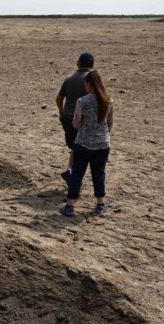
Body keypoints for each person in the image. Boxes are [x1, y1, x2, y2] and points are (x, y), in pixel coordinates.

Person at [61, 70, 113, 217]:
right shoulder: (107, 100)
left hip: (84, 142)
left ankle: (70, 206)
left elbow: (76, 124)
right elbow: (110, 123)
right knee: (99, 173)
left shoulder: (82, 101)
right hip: (102, 143)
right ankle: (100, 204)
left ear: (89, 84)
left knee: (77, 173)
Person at [56, 52, 95, 185]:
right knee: (83, 149)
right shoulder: (92, 78)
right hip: (83, 119)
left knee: (75, 146)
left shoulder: (69, 78)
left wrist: (61, 112)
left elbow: (59, 98)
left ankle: (71, 172)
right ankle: (73, 174)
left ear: (78, 64)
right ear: (92, 64)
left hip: (67, 118)